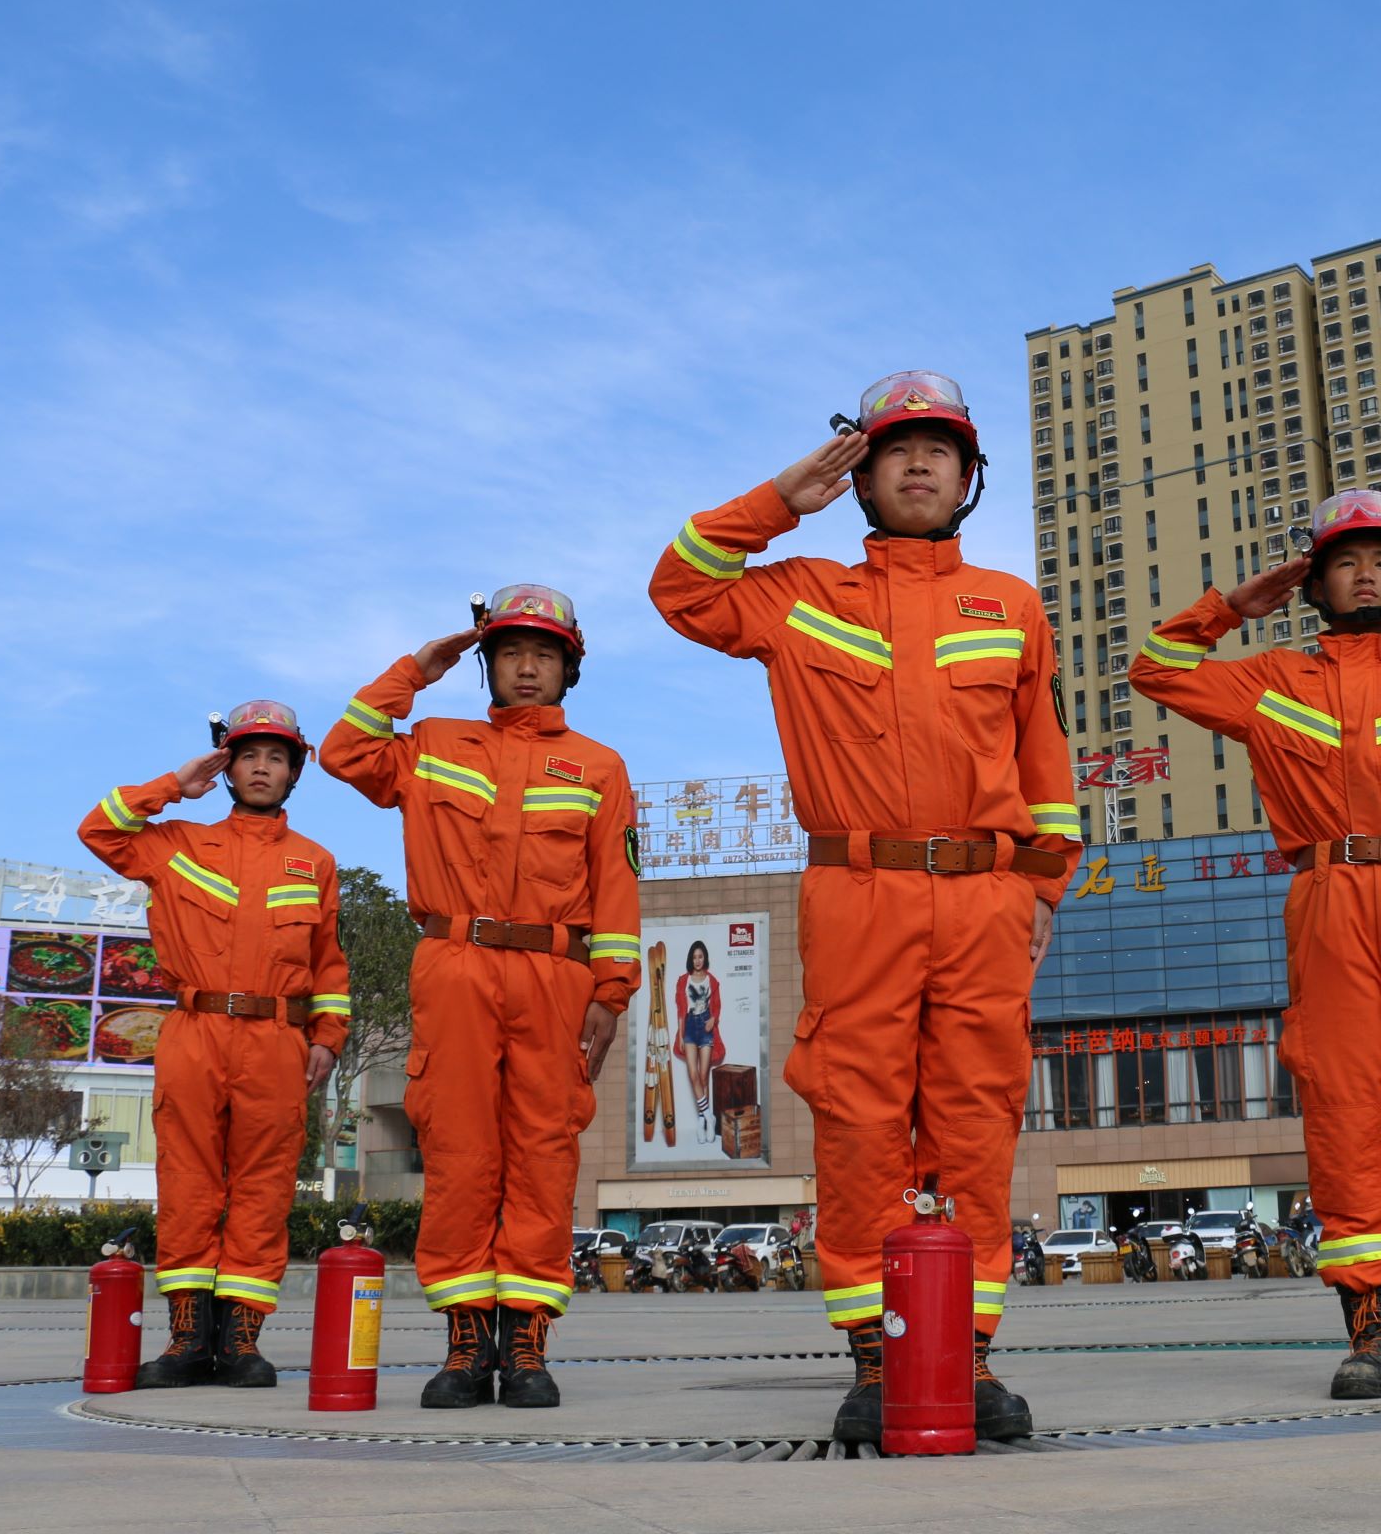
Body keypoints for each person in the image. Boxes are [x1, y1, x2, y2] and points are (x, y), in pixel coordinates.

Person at [649, 370, 1079, 1444]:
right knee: (857, 1125)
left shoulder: (1010, 606)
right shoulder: (798, 593)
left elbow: (1045, 758)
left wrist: (1038, 884)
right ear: (862, 476)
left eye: (940, 451)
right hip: (857, 888)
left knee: (977, 1122)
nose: (920, 465)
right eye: (896, 451)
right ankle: (881, 1354)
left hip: (983, 893)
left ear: (971, 478)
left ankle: (966, 1355)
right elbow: (681, 589)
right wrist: (779, 498)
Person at [1130, 488, 1381, 1400]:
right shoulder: (1268, 679)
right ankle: (1371, 1337)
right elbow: (1153, 669)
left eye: (1380, 562)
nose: (1364, 576)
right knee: (1345, 1109)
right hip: (1328, 896)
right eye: (1344, 562)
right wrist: (1232, 607)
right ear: (1315, 582)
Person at [319, 584, 640, 1410]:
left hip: (556, 975)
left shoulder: (599, 766)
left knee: (543, 1153)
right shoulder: (429, 744)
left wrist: (612, 990)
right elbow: (343, 752)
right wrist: (418, 669)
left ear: (569, 669)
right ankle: (466, 1340)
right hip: (454, 962)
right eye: (509, 654)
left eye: (542, 655)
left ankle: (526, 1340)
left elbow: (617, 885)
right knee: (460, 1153)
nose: (526, 669)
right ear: (486, 664)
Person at [78, 700, 350, 1389]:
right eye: (248, 755)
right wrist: (176, 782)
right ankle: (187, 1339)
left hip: (276, 1040)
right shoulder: (175, 843)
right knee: (188, 1183)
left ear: (296, 771)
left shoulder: (313, 863)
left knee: (263, 1188)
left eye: (277, 757)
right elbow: (99, 830)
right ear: (227, 766)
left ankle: (241, 1343)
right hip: (195, 1031)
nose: (262, 768)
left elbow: (327, 960)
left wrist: (328, 1035)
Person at [672, 940, 725, 1142]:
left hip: (705, 1026)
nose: (697, 960)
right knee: (693, 1074)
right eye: (694, 957)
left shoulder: (712, 980)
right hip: (689, 1026)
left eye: (700, 956)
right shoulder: (683, 980)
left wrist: (713, 1019)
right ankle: (708, 1117)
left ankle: (703, 1122)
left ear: (705, 958)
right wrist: (680, 1034)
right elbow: (680, 1008)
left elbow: (718, 1005)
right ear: (690, 959)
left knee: (703, 1076)